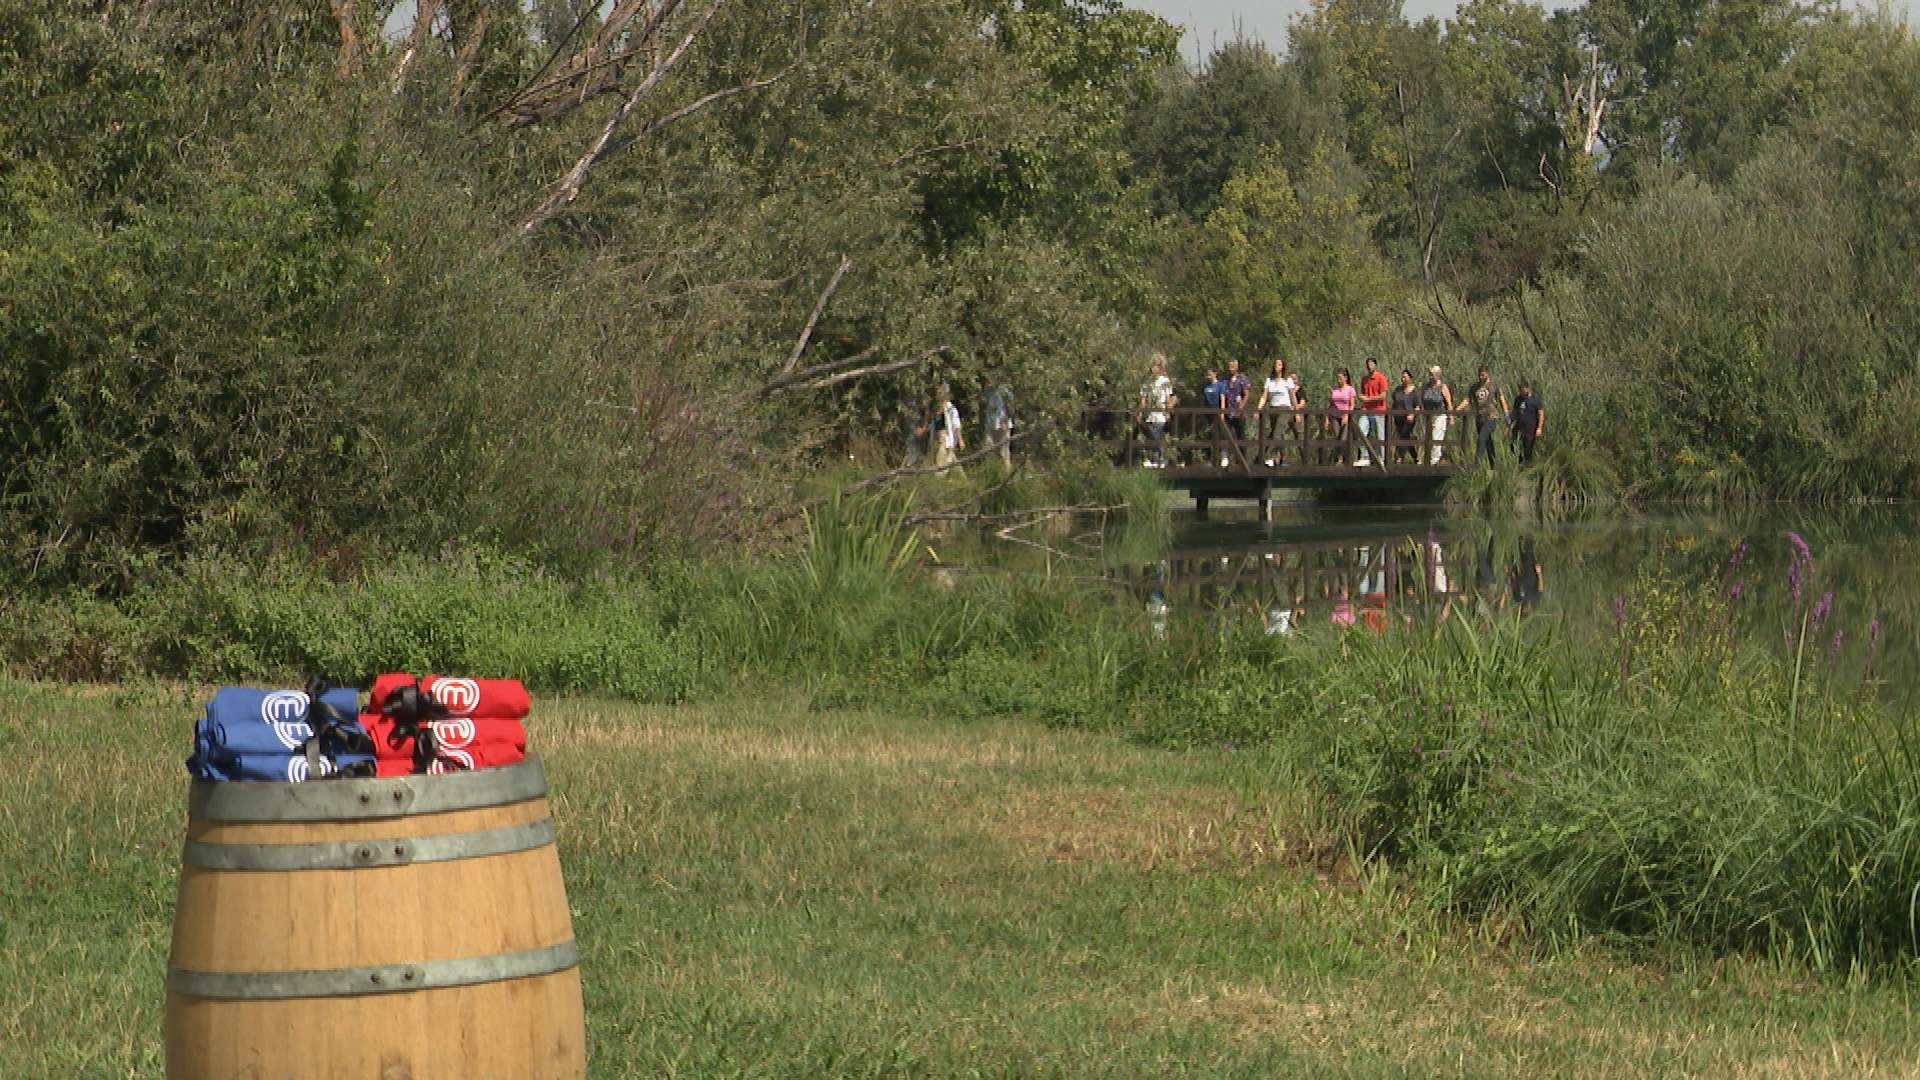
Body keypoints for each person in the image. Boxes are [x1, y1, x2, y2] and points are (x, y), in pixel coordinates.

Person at [1456, 364, 1509, 464]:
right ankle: (1493, 465)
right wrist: (1458, 408)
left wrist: (1506, 414)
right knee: (1488, 441)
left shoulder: (1494, 385)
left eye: (1483, 375)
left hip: (1491, 417)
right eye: (1479, 375)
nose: (1481, 377)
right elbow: (1468, 399)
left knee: (1482, 438)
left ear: (1487, 374)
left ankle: (1476, 465)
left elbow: (1502, 399)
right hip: (1479, 418)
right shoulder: (1474, 387)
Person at [1254, 357, 1297, 467]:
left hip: (1284, 409)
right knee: (1278, 435)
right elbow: (1264, 396)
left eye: (1278, 364)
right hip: (1273, 409)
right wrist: (1258, 409)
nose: (1276, 366)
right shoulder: (1269, 380)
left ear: (1282, 366)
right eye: (1275, 364)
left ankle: (1270, 457)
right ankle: (1283, 458)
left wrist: (1296, 412)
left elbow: (1293, 397)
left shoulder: (1287, 380)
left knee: (1277, 434)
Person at [1138, 354, 1176, 468]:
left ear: (1160, 368)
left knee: (1156, 434)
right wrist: (1140, 412)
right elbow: (1144, 399)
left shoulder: (1165, 381)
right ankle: (1155, 458)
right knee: (1150, 435)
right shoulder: (1147, 382)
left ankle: (1160, 458)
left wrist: (1168, 411)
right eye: (1152, 366)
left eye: (1155, 366)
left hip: (1161, 414)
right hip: (1150, 415)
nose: (1152, 368)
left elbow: (1169, 397)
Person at [1357, 356, 1389, 468]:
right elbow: (1363, 393)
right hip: (1366, 410)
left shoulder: (1381, 378)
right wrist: (1361, 397)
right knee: (1361, 431)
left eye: (1371, 364)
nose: (1369, 366)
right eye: (1367, 364)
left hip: (1378, 411)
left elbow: (1383, 396)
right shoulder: (1364, 379)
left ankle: (1382, 458)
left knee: (1380, 436)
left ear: (1375, 365)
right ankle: (1364, 457)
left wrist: (1369, 399)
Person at [928, 382, 965, 471]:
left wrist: (960, 440)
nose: (937, 395)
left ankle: (938, 481)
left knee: (941, 464)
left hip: (945, 440)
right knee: (952, 462)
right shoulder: (935, 409)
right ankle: (963, 481)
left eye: (940, 393)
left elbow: (956, 425)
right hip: (937, 439)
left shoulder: (951, 409)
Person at [1420, 366, 1452, 465]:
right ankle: (1425, 459)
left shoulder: (1442, 387)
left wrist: (1451, 417)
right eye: (1429, 374)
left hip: (1439, 415)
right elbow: (1421, 400)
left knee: (1436, 438)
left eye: (1432, 374)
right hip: (1427, 416)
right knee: (1426, 437)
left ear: (1438, 375)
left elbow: (1449, 403)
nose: (1430, 377)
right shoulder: (1426, 387)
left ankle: (1435, 461)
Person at [1222, 358, 1251, 467]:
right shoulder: (1225, 380)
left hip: (1239, 413)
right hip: (1228, 413)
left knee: (1241, 436)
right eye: (1229, 367)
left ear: (1237, 367)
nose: (1230, 369)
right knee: (1227, 435)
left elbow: (1247, 394)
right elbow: (1223, 395)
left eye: (1232, 367)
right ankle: (1227, 459)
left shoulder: (1242, 379)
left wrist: (1241, 408)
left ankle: (1242, 460)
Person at [1509, 379, 1545, 464]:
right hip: (1518, 427)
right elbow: (1514, 413)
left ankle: (1528, 468)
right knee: (1513, 445)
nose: (1521, 392)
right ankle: (1520, 462)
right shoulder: (1518, 399)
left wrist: (1539, 428)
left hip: (1530, 429)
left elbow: (1541, 414)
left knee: (1527, 450)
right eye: (1520, 390)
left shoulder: (1535, 400)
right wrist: (1508, 424)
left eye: (1523, 389)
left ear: (1528, 388)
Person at [1200, 366, 1229, 467]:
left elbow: (1222, 398)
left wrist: (1222, 412)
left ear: (1215, 374)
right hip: (1208, 414)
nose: (1208, 376)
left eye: (1210, 374)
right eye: (1207, 374)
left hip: (1217, 412)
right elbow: (1203, 400)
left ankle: (1224, 456)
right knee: (1209, 435)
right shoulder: (1205, 386)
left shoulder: (1220, 385)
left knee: (1221, 434)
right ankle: (1209, 459)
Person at [1390, 368, 1420, 464]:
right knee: (1405, 437)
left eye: (1405, 377)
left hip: (1409, 419)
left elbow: (1418, 406)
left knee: (1402, 435)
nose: (1403, 379)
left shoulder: (1415, 391)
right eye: (1402, 377)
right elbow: (1394, 402)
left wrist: (1412, 414)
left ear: (1410, 378)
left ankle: (1399, 457)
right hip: (1398, 418)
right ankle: (1415, 457)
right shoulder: (1398, 390)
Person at [982, 378, 1014, 467]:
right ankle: (991, 473)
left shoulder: (1003, 390)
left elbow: (1009, 406)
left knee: (1004, 452)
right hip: (990, 424)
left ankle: (1007, 473)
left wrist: (1005, 420)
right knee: (989, 450)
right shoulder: (988, 391)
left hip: (1002, 424)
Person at [1327, 368, 1356, 464]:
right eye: (1337, 378)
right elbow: (1330, 404)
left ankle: (1346, 458)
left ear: (1345, 378)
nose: (1338, 379)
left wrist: (1347, 415)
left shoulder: (1350, 389)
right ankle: (1339, 459)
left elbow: (1352, 405)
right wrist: (1327, 418)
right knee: (1337, 437)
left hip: (1345, 416)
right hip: (1335, 415)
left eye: (1340, 377)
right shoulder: (1334, 389)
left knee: (1343, 438)